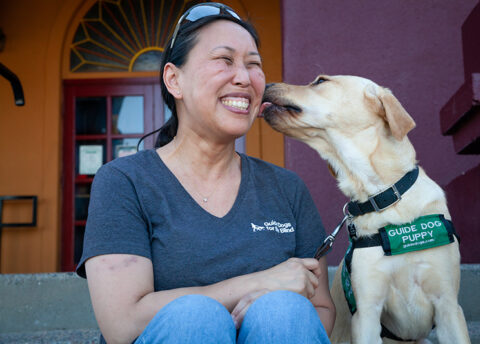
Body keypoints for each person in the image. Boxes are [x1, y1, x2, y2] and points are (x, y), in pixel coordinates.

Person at [77, 3, 336, 343]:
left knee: (284, 312)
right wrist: (260, 282)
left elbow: (321, 309)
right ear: (174, 79)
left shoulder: (286, 188)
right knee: (194, 318)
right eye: (224, 60)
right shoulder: (125, 181)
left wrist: (274, 306)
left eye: (253, 64)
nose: (244, 77)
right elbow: (122, 323)